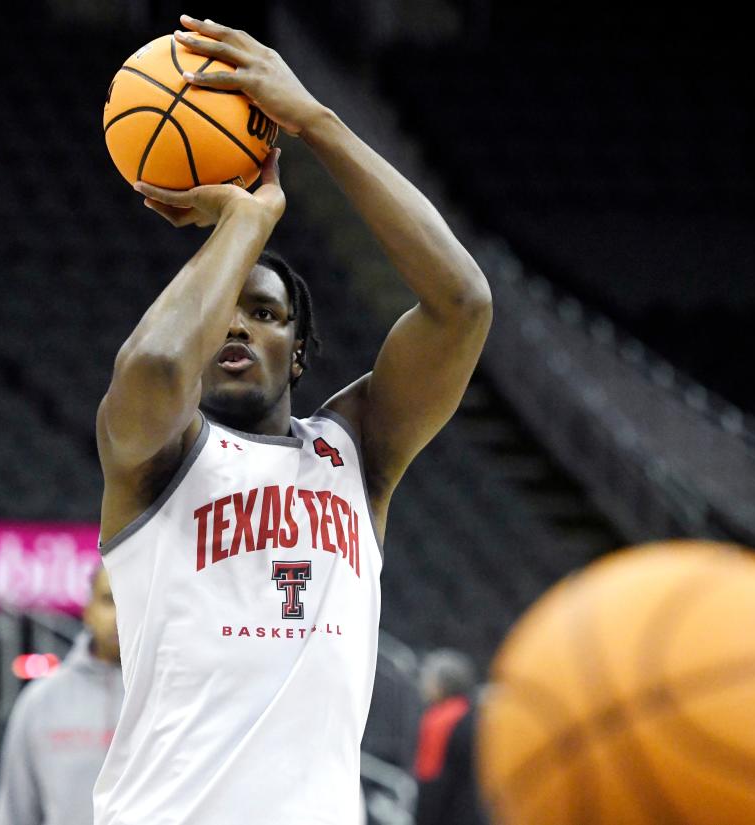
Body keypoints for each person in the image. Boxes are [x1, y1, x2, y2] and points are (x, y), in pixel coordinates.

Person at [93, 14, 492, 825]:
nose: (236, 326)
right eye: (222, 314)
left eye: (265, 313)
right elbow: (159, 365)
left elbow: (462, 303)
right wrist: (244, 221)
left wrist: (316, 122)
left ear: (302, 352)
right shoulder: (156, 459)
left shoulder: (357, 450)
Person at [0, 568, 122, 825]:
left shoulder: (171, 698)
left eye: (132, 601)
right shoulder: (40, 702)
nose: (120, 615)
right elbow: (13, 811)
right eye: (108, 600)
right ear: (88, 611)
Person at [414, 650, 487, 825]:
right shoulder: (473, 712)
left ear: (443, 684)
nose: (423, 684)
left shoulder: (441, 719)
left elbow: (430, 778)